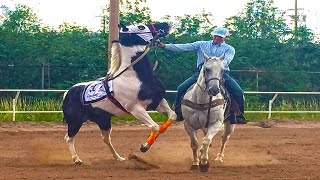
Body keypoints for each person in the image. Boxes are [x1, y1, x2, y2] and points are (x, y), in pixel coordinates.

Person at [157, 27, 247, 124]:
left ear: (225, 38)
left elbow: (226, 61)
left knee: (238, 92)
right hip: (201, 73)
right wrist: (165, 46)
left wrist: (215, 65)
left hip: (221, 73)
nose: (217, 38)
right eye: (216, 36)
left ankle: (238, 115)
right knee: (181, 88)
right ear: (213, 35)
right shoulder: (201, 44)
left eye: (220, 37)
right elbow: (184, 46)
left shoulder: (229, 49)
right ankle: (178, 113)